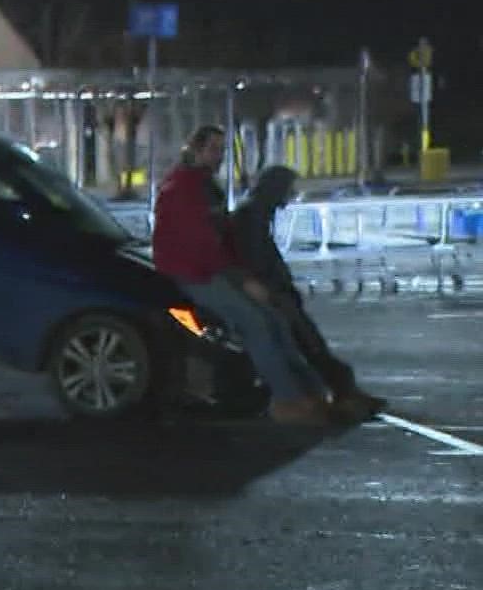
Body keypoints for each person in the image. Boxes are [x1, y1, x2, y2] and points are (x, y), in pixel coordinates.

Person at [150, 125, 339, 425]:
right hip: (194, 274)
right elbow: (202, 244)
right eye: (214, 149)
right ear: (195, 150)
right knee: (258, 325)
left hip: (206, 270)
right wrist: (243, 280)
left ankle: (307, 391)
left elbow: (216, 239)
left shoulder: (199, 185)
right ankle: (288, 398)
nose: (220, 156)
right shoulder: (185, 188)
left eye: (222, 150)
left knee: (273, 320)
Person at [231, 165, 385, 420]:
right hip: (272, 293)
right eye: (289, 189)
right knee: (308, 342)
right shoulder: (253, 218)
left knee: (308, 342)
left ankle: (339, 391)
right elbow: (258, 261)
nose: (292, 194)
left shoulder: (256, 214)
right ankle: (338, 393)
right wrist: (279, 288)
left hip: (275, 290)